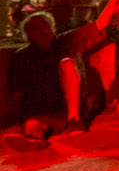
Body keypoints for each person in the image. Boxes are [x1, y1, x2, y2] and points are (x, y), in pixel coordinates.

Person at [2, 13, 96, 152]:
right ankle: (33, 141)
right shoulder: (21, 57)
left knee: (66, 63)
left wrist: (114, 1)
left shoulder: (63, 43)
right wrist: (16, 118)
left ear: (53, 28)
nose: (43, 31)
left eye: (46, 26)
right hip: (41, 112)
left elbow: (97, 26)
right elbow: (16, 91)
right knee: (34, 124)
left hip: (67, 109)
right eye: (37, 28)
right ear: (28, 35)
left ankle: (74, 122)